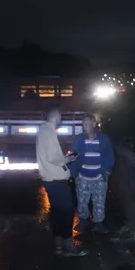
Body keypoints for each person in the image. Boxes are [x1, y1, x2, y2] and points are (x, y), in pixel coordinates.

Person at [36, 107, 88, 256]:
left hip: (50, 179)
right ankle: (69, 246)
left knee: (58, 212)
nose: (61, 120)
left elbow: (49, 155)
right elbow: (54, 157)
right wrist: (67, 159)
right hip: (56, 180)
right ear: (56, 117)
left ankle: (58, 245)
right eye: (60, 117)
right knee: (67, 211)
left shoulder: (43, 130)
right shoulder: (49, 131)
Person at [69, 114, 115, 233]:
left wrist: (107, 171)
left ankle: (98, 223)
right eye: (83, 124)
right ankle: (83, 220)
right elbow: (72, 155)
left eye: (86, 124)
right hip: (83, 177)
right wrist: (75, 173)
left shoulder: (104, 139)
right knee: (82, 201)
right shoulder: (79, 139)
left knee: (99, 202)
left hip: (99, 177)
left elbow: (110, 156)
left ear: (93, 124)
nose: (84, 127)